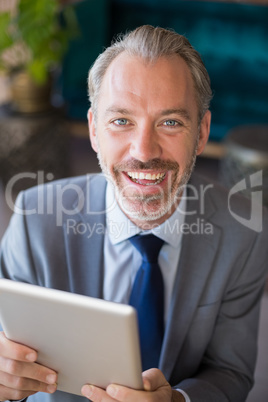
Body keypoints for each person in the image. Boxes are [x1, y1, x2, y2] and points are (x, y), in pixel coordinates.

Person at [0, 25, 267, 402]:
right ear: (94, 131)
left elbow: (231, 372)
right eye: (121, 121)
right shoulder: (33, 219)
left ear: (202, 133)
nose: (143, 150)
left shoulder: (247, 233)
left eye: (170, 122)